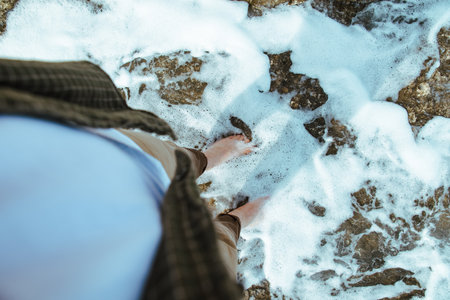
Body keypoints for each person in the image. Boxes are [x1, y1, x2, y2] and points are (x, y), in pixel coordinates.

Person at [0, 58, 266, 300]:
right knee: (215, 259)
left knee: (171, 161)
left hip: (78, 142)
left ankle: (207, 160)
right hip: (151, 285)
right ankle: (233, 222)